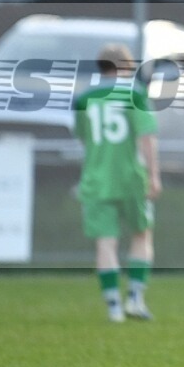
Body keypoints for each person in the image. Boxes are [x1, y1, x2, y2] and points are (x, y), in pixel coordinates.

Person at [73, 43, 162, 322]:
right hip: (130, 177)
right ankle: (135, 298)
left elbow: (83, 136)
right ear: (126, 67)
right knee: (141, 235)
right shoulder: (134, 94)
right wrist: (154, 175)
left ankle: (113, 307)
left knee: (105, 243)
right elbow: (146, 138)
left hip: (96, 178)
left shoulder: (85, 98)